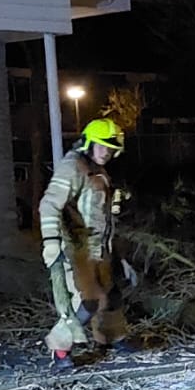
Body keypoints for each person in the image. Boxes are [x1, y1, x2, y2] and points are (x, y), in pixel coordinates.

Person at [40, 118, 131, 373]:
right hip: (78, 246)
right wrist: (50, 242)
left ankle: (112, 338)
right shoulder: (73, 167)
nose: (107, 152)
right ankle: (60, 349)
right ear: (88, 143)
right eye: (102, 146)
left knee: (111, 291)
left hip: (100, 245)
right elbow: (50, 205)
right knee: (88, 301)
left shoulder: (97, 169)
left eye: (111, 148)